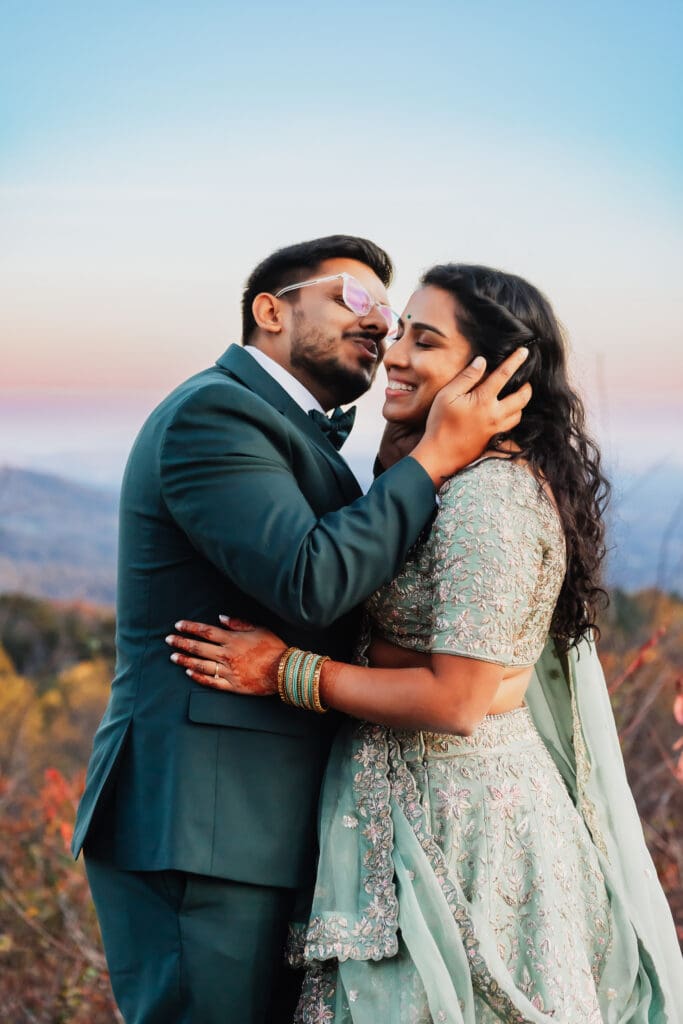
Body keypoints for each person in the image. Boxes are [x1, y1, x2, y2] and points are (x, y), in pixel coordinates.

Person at [168, 264, 683, 1022]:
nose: (394, 353)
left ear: (496, 374)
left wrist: (286, 672)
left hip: (467, 829)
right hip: (394, 808)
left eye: (425, 341)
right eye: (400, 331)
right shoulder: (437, 481)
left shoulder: (491, 498)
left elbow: (456, 699)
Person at [72, 237, 531, 1024]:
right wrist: (432, 459)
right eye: (357, 300)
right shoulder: (214, 413)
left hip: (265, 825)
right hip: (203, 827)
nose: (381, 326)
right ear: (271, 311)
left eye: (392, 316)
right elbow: (311, 579)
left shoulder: (296, 433)